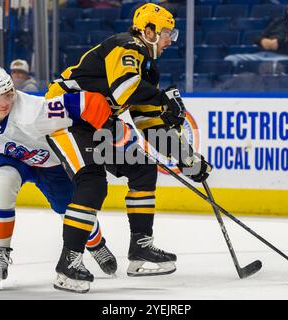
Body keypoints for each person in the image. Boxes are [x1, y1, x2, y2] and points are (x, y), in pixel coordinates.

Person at [45, 3, 211, 293]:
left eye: (173, 33)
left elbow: (150, 126)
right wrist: (163, 99)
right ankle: (67, 264)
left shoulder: (148, 68)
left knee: (143, 168)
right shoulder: (126, 45)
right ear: (148, 31)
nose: (171, 39)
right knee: (93, 183)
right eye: (166, 32)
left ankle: (140, 250)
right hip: (66, 115)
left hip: (97, 122)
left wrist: (188, 159)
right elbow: (124, 89)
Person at [0, 65, 117, 290]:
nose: (4, 102)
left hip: (50, 165)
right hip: (13, 160)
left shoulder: (33, 112)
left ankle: (96, 244)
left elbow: (83, 104)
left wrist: (110, 124)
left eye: (8, 94)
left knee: (70, 208)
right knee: (1, 185)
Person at [224, 0, 288, 66]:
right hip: (262, 55)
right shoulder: (278, 22)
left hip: (285, 57)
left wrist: (279, 42)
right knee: (230, 59)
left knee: (275, 66)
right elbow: (257, 37)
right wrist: (262, 41)